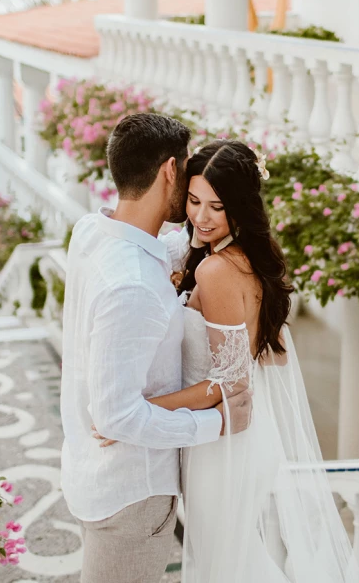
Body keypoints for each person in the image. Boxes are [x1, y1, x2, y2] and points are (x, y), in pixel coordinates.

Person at [96, 139, 359, 582]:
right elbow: (265, 359)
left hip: (223, 444)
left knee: (225, 568)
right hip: (239, 438)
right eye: (195, 201)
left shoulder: (218, 270)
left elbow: (232, 383)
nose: (200, 217)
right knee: (234, 563)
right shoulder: (234, 260)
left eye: (216, 207)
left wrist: (136, 413)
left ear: (239, 207)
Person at [59, 114, 252, 583]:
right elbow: (118, 419)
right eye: (186, 174)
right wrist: (216, 421)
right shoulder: (136, 286)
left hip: (91, 472)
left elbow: (161, 251)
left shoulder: (91, 232)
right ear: (170, 170)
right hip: (132, 496)